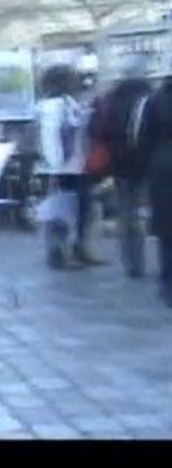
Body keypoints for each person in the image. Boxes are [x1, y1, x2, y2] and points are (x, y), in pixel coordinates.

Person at [87, 54, 152, 278]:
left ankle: (132, 262)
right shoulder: (151, 96)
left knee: (127, 212)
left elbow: (95, 131)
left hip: (121, 163)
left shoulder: (109, 99)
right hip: (151, 162)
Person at [36, 64, 106, 269]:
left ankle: (80, 247)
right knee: (61, 211)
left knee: (83, 209)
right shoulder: (52, 106)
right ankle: (58, 253)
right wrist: (57, 165)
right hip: (64, 168)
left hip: (78, 165)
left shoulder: (69, 103)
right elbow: (51, 138)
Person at [140, 70, 172, 306]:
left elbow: (143, 137)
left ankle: (168, 284)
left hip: (162, 165)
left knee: (166, 229)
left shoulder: (155, 99)